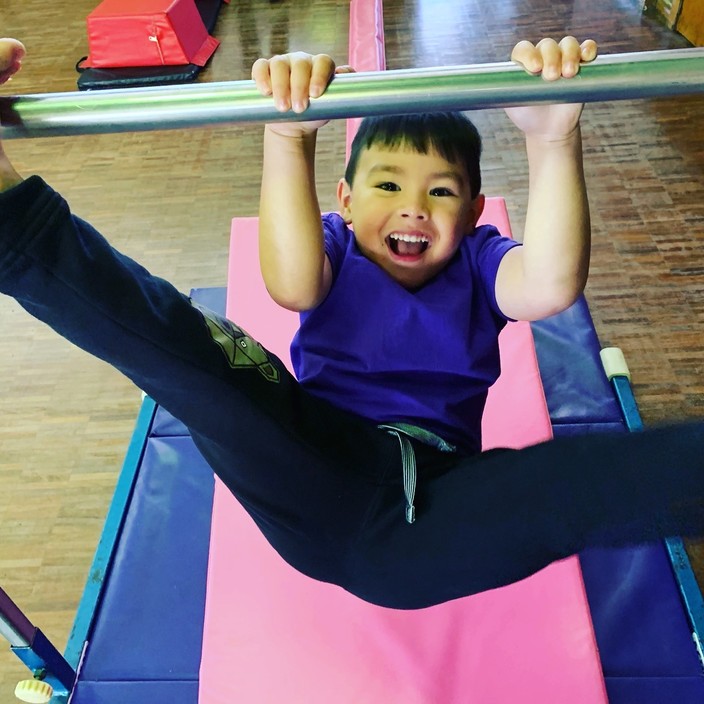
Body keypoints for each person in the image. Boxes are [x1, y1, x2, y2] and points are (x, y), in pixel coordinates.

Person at [0, 36, 703, 611]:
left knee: (574, 486)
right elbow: (292, 283)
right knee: (201, 364)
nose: (414, 210)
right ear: (344, 197)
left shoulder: (483, 265)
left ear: (476, 209)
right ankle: (12, 217)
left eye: (442, 192)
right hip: (311, 462)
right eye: (388, 185)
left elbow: (549, 284)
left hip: (428, 517)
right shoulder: (335, 246)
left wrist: (554, 141)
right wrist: (288, 134)